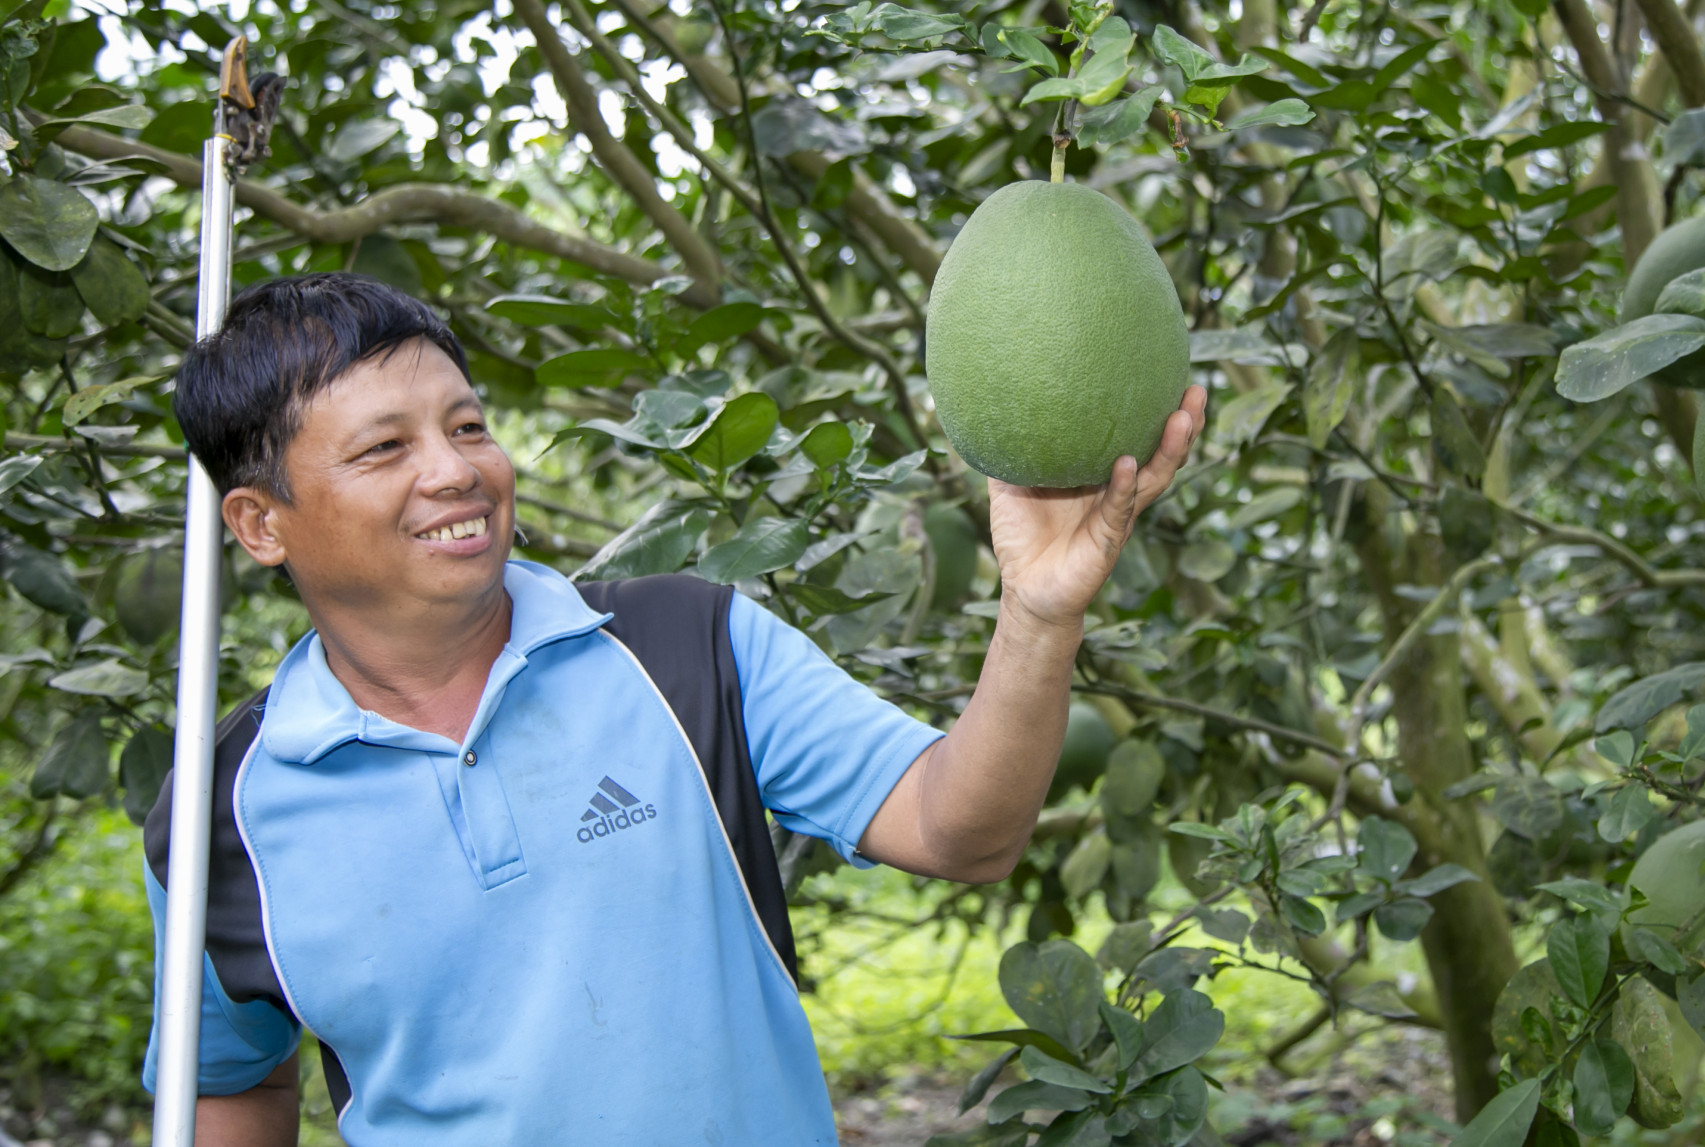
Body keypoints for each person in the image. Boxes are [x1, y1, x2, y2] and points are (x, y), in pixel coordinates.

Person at [140, 272, 1206, 1144]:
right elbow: (227, 1080)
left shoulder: (686, 648)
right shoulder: (223, 816)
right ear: (259, 524)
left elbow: (961, 829)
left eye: (467, 426)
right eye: (386, 448)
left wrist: (1038, 611)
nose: (455, 471)